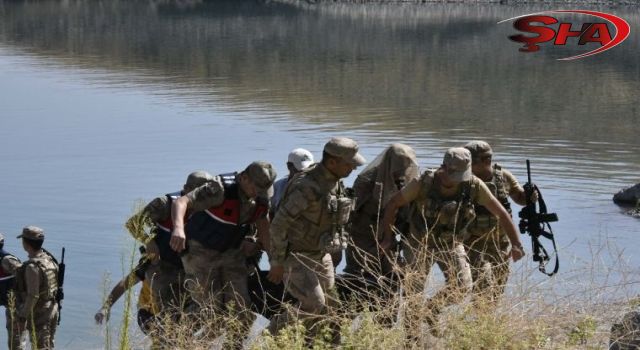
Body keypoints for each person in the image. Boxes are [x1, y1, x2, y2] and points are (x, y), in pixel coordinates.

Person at [380, 148, 525, 337]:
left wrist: (516, 244)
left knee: (462, 286)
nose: (458, 180)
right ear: (443, 168)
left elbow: (501, 213)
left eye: (462, 175)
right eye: (454, 175)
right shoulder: (423, 183)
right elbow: (393, 204)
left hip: (451, 244)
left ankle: (432, 309)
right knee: (413, 295)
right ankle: (412, 339)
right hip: (418, 244)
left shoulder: (473, 185)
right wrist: (387, 237)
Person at [267, 137, 365, 341]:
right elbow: (278, 225)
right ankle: (270, 334)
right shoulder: (308, 187)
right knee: (313, 305)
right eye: (349, 164)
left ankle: (323, 343)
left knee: (333, 306)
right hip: (297, 256)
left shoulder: (334, 181)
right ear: (332, 163)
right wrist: (276, 262)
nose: (353, 169)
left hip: (321, 254)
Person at [169, 161, 276, 347]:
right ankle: (179, 342)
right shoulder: (219, 189)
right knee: (210, 308)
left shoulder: (261, 196)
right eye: (255, 187)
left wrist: (274, 260)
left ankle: (233, 346)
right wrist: (178, 228)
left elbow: (263, 223)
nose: (258, 193)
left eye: (263, 189)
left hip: (232, 253)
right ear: (243, 177)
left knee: (241, 308)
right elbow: (181, 202)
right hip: (200, 252)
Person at [125, 171, 214, 313]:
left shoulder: (210, 208)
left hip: (190, 269)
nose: (201, 198)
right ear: (185, 188)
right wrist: (148, 241)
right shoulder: (164, 204)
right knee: (170, 311)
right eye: (197, 192)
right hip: (164, 267)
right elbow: (133, 224)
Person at [342, 144, 419, 303]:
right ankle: (346, 316)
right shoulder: (367, 180)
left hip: (393, 238)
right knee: (356, 279)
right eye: (399, 164)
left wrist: (395, 241)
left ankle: (385, 320)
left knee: (392, 280)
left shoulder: (409, 181)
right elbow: (351, 212)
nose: (403, 169)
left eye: (406, 165)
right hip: (363, 236)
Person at [463, 141, 535, 306]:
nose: (467, 165)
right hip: (472, 242)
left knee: (497, 287)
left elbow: (519, 198)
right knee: (482, 284)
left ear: (486, 160)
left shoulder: (503, 177)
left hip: (500, 244)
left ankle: (485, 323)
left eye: (470, 161)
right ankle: (481, 322)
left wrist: (530, 196)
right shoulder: (465, 180)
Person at [14, 226, 59, 350]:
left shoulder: (32, 267)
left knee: (41, 347)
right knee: (48, 345)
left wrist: (23, 316)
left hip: (40, 314)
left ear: (26, 244)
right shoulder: (49, 260)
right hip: (52, 308)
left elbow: (33, 295)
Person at [94, 254, 157, 334]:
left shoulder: (175, 260)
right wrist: (106, 307)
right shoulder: (149, 261)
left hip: (170, 313)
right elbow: (125, 283)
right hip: (147, 314)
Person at [0, 233, 23, 350]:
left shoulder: (6, 260)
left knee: (15, 343)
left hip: (16, 306)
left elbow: (25, 277)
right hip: (8, 304)